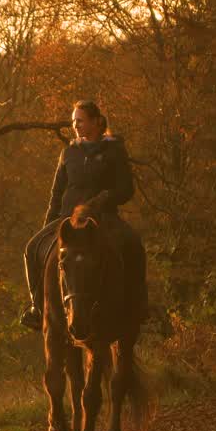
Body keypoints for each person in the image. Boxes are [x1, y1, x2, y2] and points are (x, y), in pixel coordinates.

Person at [20, 100, 147, 329]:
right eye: (73, 121)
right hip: (68, 218)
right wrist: (49, 224)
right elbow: (57, 193)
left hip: (103, 217)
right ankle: (37, 307)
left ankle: (139, 304)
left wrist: (105, 198)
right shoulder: (68, 152)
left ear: (96, 122)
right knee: (31, 248)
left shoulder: (115, 150)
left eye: (80, 120)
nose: (75, 125)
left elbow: (126, 189)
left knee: (134, 245)